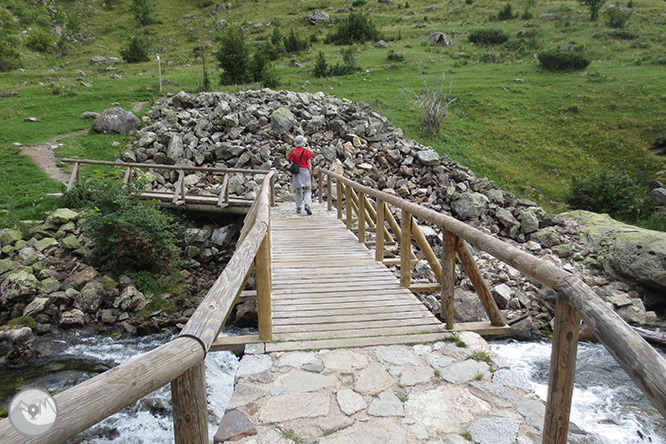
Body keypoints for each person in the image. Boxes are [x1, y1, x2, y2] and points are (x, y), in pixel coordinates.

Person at [288, 135, 313, 215]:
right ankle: (307, 204)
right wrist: (311, 174)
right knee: (308, 189)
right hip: (305, 171)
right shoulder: (307, 151)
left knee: (298, 190)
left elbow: (291, 164)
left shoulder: (293, 152)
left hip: (296, 172)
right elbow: (309, 164)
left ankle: (298, 207)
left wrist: (291, 175)